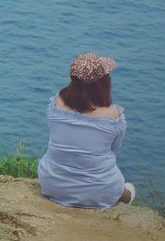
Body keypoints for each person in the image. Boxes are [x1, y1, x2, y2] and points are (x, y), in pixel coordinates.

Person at [37, 52, 136, 210]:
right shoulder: (114, 116)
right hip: (98, 189)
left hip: (52, 182)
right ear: (102, 83)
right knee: (124, 187)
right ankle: (125, 196)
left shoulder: (56, 104)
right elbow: (114, 147)